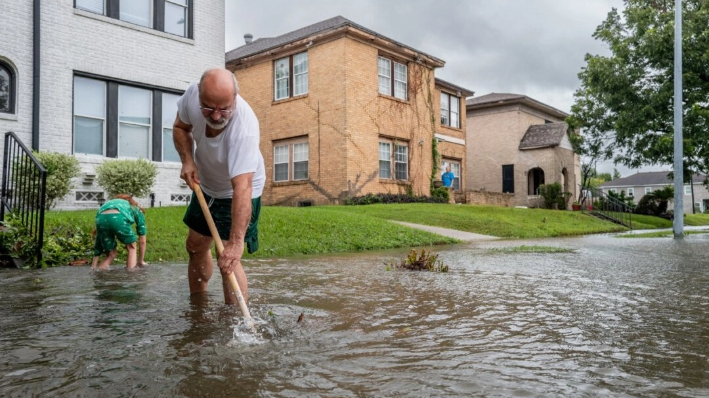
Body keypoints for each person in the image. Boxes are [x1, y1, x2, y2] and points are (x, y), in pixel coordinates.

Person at [172, 68, 266, 305]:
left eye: (224, 109)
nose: (215, 116)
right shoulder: (192, 95)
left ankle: (233, 323)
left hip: (240, 189)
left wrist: (235, 244)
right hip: (206, 182)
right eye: (208, 108)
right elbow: (181, 127)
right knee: (194, 245)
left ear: (235, 98)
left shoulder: (244, 129)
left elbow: (242, 188)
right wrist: (187, 160)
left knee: (227, 257)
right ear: (199, 94)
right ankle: (198, 306)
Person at [91, 194, 148, 270]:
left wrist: (93, 266)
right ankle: (131, 275)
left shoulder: (108, 205)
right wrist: (140, 261)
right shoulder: (134, 208)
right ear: (131, 201)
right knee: (132, 247)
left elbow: (98, 240)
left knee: (111, 255)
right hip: (119, 218)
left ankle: (100, 273)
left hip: (100, 219)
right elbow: (142, 240)